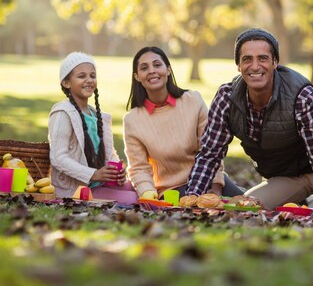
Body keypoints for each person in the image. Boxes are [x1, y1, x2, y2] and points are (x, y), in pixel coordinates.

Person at [184, 28, 313, 211]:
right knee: (247, 203)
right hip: (277, 176)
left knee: (246, 206)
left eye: (262, 58)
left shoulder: (302, 97)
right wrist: (192, 197)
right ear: (238, 65)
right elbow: (209, 154)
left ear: (275, 62)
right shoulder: (227, 98)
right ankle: (303, 204)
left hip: (312, 174)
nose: (254, 66)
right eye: (247, 59)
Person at [123, 47, 243, 200]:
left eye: (157, 65)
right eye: (144, 68)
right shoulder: (133, 120)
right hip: (171, 191)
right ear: (137, 77)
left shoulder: (193, 100)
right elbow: (138, 168)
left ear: (168, 70)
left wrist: (216, 187)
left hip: (208, 179)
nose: (152, 71)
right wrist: (147, 193)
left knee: (254, 208)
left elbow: (212, 149)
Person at [48, 52, 137, 204]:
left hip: (99, 183)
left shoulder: (97, 115)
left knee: (138, 188)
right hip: (78, 189)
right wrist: (93, 174)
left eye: (92, 76)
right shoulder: (63, 113)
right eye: (82, 76)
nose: (89, 80)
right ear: (66, 83)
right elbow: (58, 158)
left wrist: (117, 171)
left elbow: (109, 154)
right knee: (134, 199)